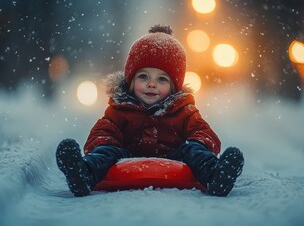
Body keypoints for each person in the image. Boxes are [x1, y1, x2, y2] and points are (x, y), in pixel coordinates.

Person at [56, 24, 244, 197]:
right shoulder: (120, 108)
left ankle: (216, 177)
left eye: (162, 79)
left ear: (173, 87)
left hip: (174, 157)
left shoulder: (183, 110)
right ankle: (83, 175)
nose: (151, 84)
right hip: (128, 157)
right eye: (143, 76)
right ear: (130, 81)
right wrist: (105, 144)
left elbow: (204, 133)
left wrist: (199, 142)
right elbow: (103, 132)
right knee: (107, 150)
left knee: (193, 149)